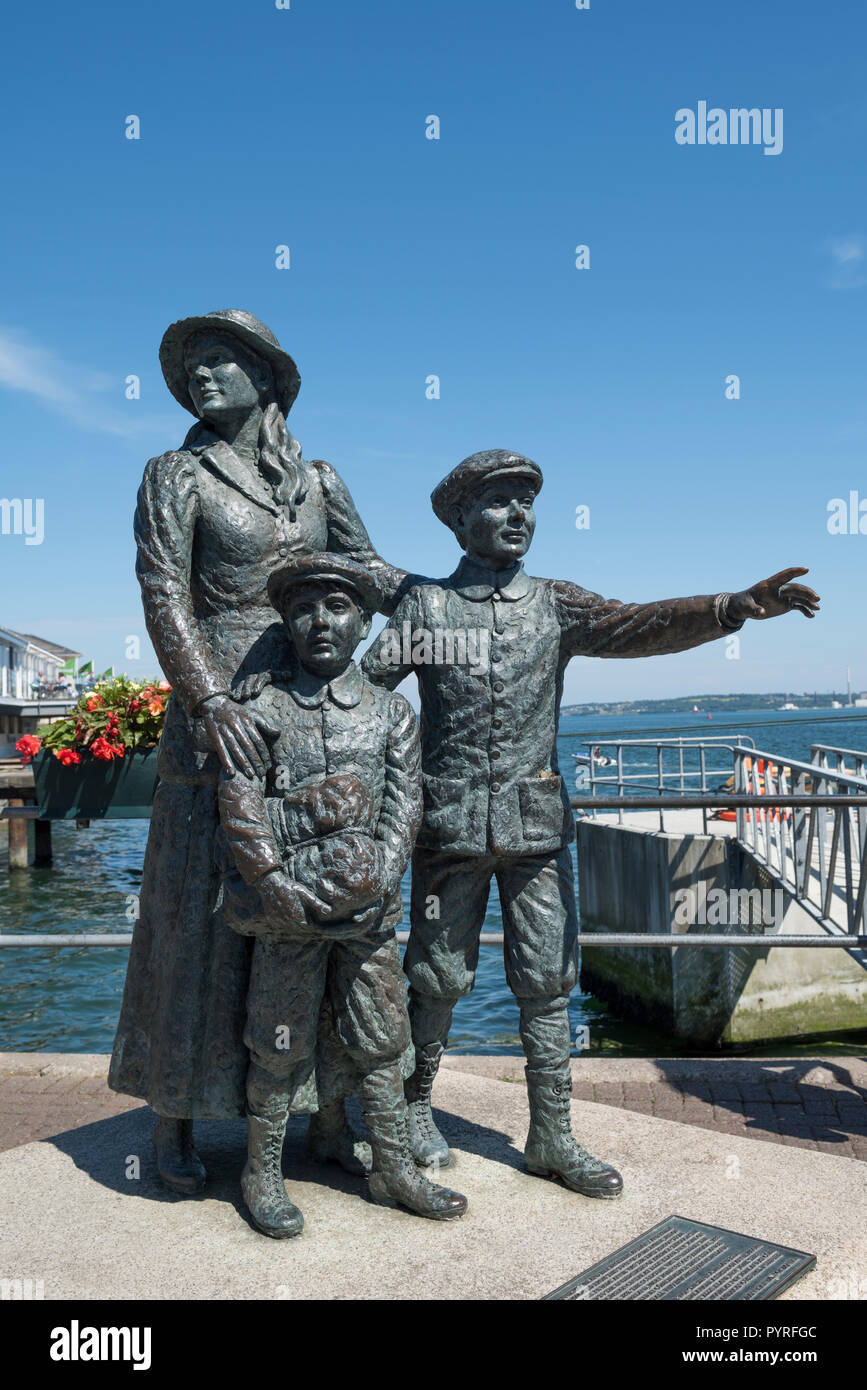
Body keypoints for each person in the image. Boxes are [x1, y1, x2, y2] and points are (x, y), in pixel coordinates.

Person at [362, 448, 820, 1199]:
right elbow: (365, 698)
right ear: (458, 520)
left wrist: (730, 608)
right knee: (436, 976)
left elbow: (635, 626)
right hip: (445, 828)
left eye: (525, 503)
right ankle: (415, 1111)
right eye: (498, 501)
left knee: (547, 981)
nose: (516, 516)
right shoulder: (426, 610)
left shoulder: (553, 604)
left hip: (535, 831)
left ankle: (550, 1135)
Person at [109, 310, 407, 1193]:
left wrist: (448, 600)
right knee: (193, 924)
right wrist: (205, 699)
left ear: (267, 376)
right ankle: (172, 1122)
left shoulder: (318, 480)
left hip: (309, 715)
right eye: (190, 367)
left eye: (221, 362)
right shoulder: (176, 473)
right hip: (218, 725)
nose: (201, 377)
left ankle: (321, 1114)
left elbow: (370, 572)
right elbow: (164, 595)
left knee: (308, 919)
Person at [217, 553, 467, 1236]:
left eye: (337, 607)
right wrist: (270, 881)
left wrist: (385, 873)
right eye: (303, 608)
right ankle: (261, 1172)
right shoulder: (260, 708)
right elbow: (238, 801)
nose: (320, 621)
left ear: (362, 621)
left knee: (383, 1038)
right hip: (286, 915)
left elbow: (404, 802)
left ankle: (392, 1167)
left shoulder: (391, 713)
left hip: (366, 917)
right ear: (287, 621)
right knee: (277, 1040)